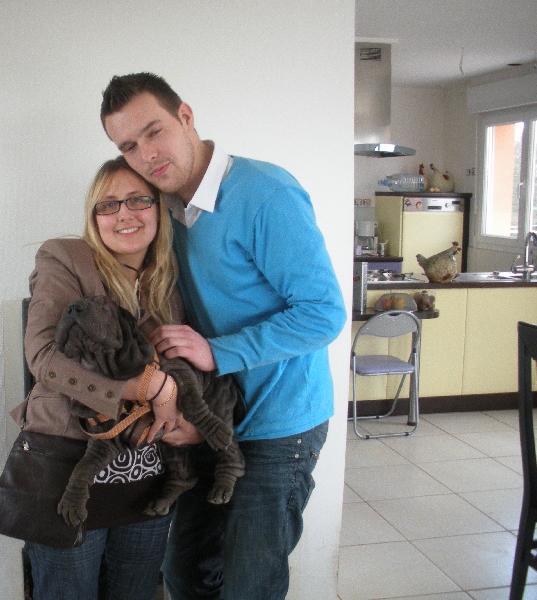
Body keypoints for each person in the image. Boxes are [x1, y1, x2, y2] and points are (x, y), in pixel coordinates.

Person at [100, 73, 346, 599]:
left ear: (186, 116)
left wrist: (218, 351)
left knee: (249, 585)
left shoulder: (265, 193)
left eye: (154, 131)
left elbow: (324, 313)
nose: (146, 155)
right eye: (128, 146)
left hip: (280, 424)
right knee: (186, 574)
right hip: (217, 416)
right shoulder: (161, 209)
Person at [18, 157, 184, 600]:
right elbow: (43, 355)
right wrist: (147, 387)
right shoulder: (67, 257)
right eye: (108, 204)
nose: (124, 214)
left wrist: (186, 418)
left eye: (138, 200)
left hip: (146, 478)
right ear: (93, 216)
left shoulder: (168, 278)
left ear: (158, 208)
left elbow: (183, 366)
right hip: (68, 471)